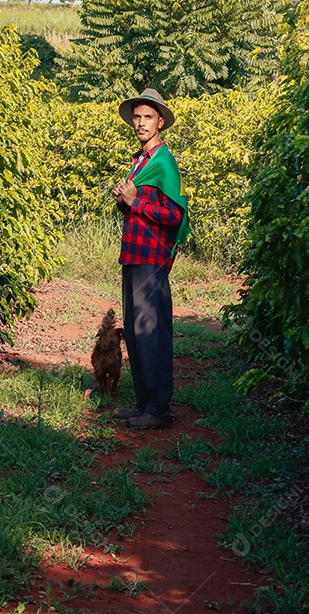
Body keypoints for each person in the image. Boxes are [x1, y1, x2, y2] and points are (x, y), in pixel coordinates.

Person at [110, 88, 190, 430]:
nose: (141, 123)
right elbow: (138, 208)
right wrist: (123, 198)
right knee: (135, 328)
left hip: (151, 258)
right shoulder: (140, 161)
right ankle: (144, 403)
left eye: (148, 117)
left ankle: (160, 410)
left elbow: (175, 215)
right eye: (137, 117)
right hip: (134, 254)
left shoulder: (163, 162)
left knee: (151, 330)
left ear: (160, 122)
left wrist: (134, 202)